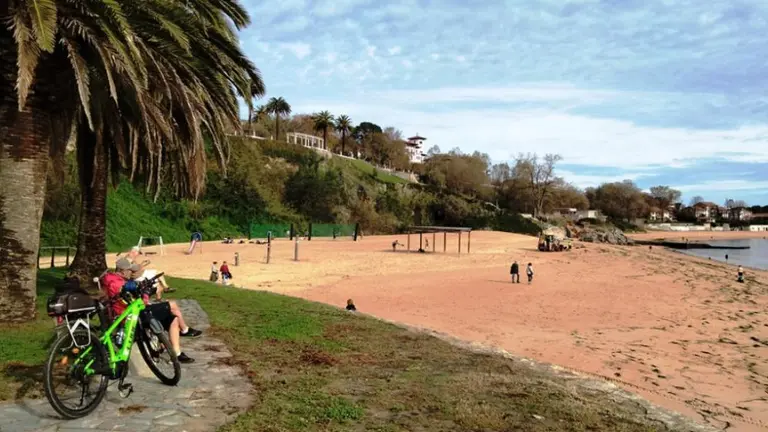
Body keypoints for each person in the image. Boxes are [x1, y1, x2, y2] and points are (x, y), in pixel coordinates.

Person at [103, 258, 202, 364]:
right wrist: (145, 293)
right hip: (131, 316)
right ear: (123, 271)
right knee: (171, 305)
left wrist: (145, 290)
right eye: (130, 271)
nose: (131, 273)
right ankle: (185, 330)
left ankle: (176, 354)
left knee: (174, 319)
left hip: (135, 311)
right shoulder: (114, 282)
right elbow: (133, 299)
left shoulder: (116, 279)